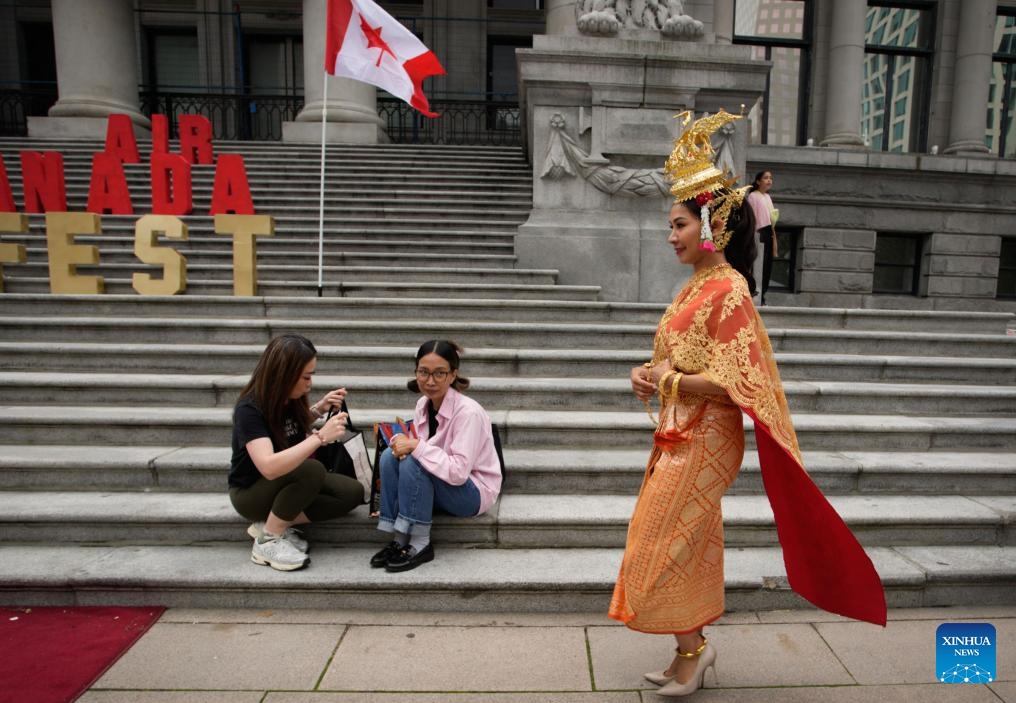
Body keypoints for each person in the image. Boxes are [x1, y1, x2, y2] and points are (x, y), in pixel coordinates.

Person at [609, 110, 886, 697]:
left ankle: (695, 650)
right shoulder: (694, 287)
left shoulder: (730, 289)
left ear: (710, 226)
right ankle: (690, 653)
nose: (671, 234)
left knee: (659, 545)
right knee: (689, 544)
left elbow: (734, 381)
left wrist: (667, 383)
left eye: (678, 224)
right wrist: (647, 374)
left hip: (706, 437)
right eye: (670, 224)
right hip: (676, 434)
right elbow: (673, 362)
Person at [229, 333, 363, 571]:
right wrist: (320, 437)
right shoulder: (249, 409)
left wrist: (320, 407)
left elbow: (289, 427)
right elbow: (268, 467)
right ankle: (268, 539)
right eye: (305, 377)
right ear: (284, 375)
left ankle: (270, 522)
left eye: (311, 375)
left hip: (283, 483)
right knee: (311, 469)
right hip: (251, 491)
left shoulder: (289, 399)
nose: (309, 383)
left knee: (351, 492)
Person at [370, 340, 502, 573]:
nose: (430, 381)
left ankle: (420, 543)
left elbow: (459, 472)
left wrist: (415, 447)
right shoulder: (423, 403)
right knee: (389, 458)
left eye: (439, 373)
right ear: (416, 372)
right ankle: (399, 539)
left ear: (453, 375)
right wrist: (402, 445)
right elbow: (425, 449)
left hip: (473, 492)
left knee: (414, 460)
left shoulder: (468, 412)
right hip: (442, 482)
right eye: (424, 372)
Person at [746, 170, 778, 305]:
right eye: (766, 178)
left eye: (771, 178)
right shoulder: (753, 196)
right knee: (759, 265)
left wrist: (775, 239)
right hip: (758, 232)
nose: (769, 180)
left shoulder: (768, 197)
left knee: (767, 266)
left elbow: (772, 219)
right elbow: (752, 217)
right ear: (758, 181)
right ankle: (755, 293)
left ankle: (763, 295)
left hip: (769, 231)